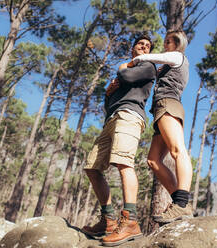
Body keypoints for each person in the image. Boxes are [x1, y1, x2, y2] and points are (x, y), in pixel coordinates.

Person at [81, 34, 156, 247]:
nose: (144, 47)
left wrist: (123, 69)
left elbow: (127, 78)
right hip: (111, 119)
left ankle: (130, 220)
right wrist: (108, 92)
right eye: (140, 44)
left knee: (124, 162)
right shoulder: (127, 70)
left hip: (130, 116)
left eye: (147, 46)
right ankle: (108, 219)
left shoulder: (148, 66)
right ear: (133, 48)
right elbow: (110, 101)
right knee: (92, 167)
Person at [132, 30, 193, 224]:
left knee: (177, 150)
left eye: (168, 41)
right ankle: (179, 203)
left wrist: (139, 58)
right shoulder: (169, 64)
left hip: (169, 104)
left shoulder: (176, 56)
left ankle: (182, 203)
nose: (165, 44)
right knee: (153, 160)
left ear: (177, 43)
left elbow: (158, 58)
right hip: (160, 109)